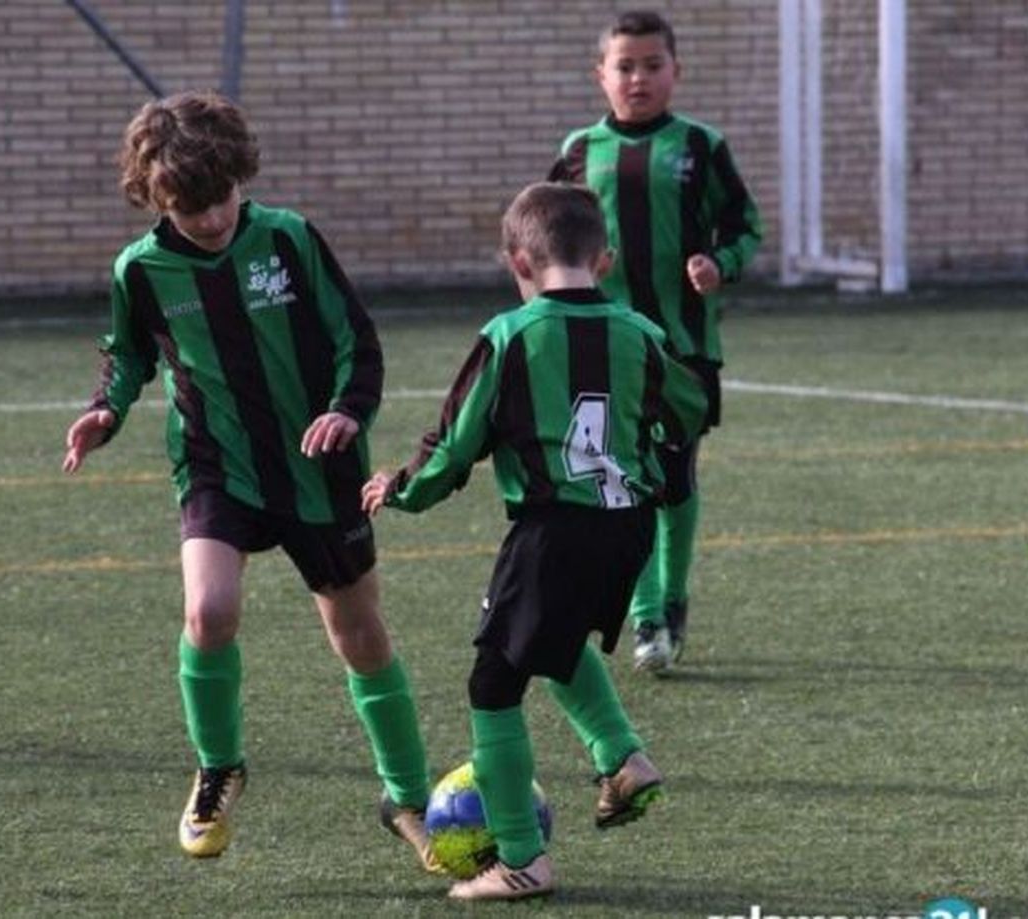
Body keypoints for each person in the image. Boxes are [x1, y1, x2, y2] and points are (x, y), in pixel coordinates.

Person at [61, 91, 438, 871]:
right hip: (216, 463)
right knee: (209, 608)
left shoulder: (290, 238)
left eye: (220, 196)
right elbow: (128, 353)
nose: (209, 218)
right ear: (155, 198)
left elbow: (356, 342)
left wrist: (345, 410)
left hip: (319, 468)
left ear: (241, 175)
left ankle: (405, 795)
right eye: (188, 206)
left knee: (360, 637)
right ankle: (219, 765)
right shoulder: (141, 270)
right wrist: (108, 409)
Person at [362, 182, 709, 900]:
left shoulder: (511, 335)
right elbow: (689, 406)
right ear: (604, 260)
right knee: (550, 644)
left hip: (555, 528)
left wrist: (399, 487)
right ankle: (622, 758)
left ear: (517, 259)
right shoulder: (639, 333)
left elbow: (457, 444)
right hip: (629, 524)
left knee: (493, 682)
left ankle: (521, 858)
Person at [549, 9, 765, 674]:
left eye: (651, 65)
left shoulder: (700, 146)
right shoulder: (581, 151)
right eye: (624, 66)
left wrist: (717, 264)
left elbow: (745, 226)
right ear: (601, 75)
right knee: (625, 479)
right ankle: (647, 616)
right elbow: (550, 237)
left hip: (685, 349)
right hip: (606, 350)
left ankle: (673, 599)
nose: (637, 78)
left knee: (674, 480)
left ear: (676, 71)